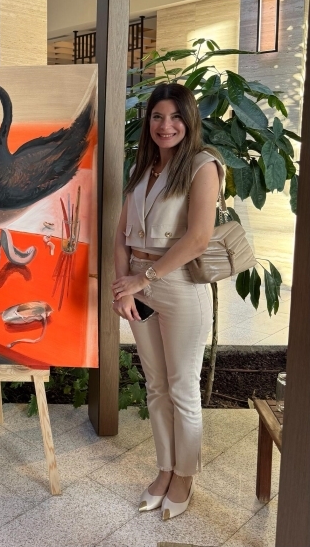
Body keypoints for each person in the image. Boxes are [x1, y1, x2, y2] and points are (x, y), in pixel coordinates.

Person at [112, 83, 223, 520]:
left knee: (182, 387)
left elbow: (198, 239)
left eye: (176, 116)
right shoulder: (142, 167)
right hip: (138, 286)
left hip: (179, 286)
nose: (166, 125)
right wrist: (123, 286)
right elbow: (121, 236)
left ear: (189, 120)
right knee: (156, 385)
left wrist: (143, 279)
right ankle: (164, 469)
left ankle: (185, 475)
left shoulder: (202, 166)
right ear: (149, 122)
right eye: (158, 116)